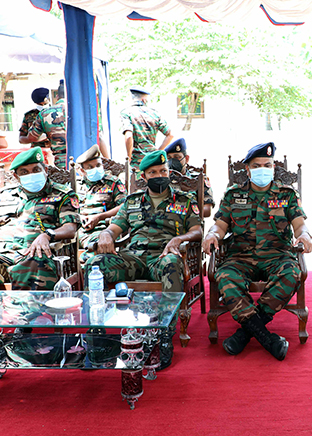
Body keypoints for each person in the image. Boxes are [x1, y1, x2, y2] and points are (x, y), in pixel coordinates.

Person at [85, 150, 202, 369]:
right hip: (134, 258)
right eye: (153, 172)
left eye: (163, 171)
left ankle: (164, 336)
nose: (160, 175)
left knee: (172, 264)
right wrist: (106, 234)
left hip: (163, 256)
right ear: (144, 176)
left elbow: (197, 230)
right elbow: (115, 228)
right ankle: (98, 334)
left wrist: (179, 239)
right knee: (95, 264)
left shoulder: (184, 200)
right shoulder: (132, 201)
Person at [202, 142, 312, 361]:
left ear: (273, 167)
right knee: (225, 276)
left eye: (267, 165)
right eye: (257, 165)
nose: (263, 169)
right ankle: (267, 338)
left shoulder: (287, 194)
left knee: (292, 273)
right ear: (248, 169)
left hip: (277, 256)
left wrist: (305, 235)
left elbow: (300, 225)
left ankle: (245, 333)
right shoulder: (233, 195)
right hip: (240, 257)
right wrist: (212, 235)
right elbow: (220, 225)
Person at [0, 147, 80, 290]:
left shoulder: (62, 195)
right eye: (24, 172)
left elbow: (70, 228)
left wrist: (47, 235)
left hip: (34, 255)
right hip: (1, 256)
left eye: (36, 170)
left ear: (45, 170)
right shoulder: (5, 196)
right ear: (16, 176)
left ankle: (28, 305)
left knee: (37, 260)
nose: (31, 175)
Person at [75, 144, 127, 261]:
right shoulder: (76, 185)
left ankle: (89, 260)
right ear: (82, 171)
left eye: (98, 165)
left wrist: (99, 217)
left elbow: (124, 206)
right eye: (90, 167)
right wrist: (79, 218)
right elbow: (68, 209)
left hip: (104, 228)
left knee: (98, 248)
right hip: (81, 230)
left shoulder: (113, 182)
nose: (96, 169)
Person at [120, 86, 173, 169]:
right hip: (152, 161)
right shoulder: (155, 114)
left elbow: (129, 136)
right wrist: (158, 151)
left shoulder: (126, 113)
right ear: (144, 100)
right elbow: (170, 135)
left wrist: (129, 157)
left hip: (136, 162)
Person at [165, 137, 215, 217]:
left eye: (177, 157)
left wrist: (173, 210)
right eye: (169, 158)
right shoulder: (162, 178)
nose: (172, 161)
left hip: (190, 221)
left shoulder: (198, 179)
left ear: (186, 159)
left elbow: (207, 210)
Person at [23, 82, 67, 169]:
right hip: (85, 159)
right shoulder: (83, 110)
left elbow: (31, 137)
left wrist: (47, 134)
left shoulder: (44, 114)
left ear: (57, 97)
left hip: (62, 161)